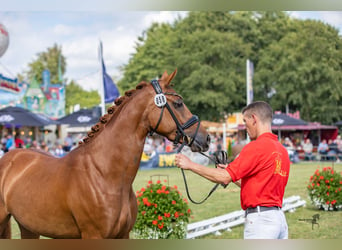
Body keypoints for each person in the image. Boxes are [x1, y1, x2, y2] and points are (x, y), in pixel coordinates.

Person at [175, 101, 290, 239]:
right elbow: (258, 186)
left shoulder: (256, 146)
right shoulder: (282, 150)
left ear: (254, 119)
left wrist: (190, 165)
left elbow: (224, 177)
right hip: (278, 219)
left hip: (261, 222)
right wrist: (231, 173)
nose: (245, 127)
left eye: (245, 121)